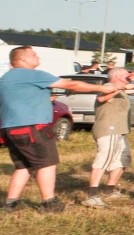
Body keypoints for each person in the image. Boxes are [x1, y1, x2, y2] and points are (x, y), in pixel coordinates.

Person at [0, 46, 107, 213]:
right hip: (33, 127)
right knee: (47, 164)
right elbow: (73, 84)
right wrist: (102, 88)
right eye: (33, 54)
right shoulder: (33, 74)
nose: (37, 56)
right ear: (22, 59)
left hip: (11, 128)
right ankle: (49, 203)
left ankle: (10, 204)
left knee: (24, 166)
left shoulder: (8, 77)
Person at [84, 67, 134, 208]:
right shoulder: (108, 86)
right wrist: (120, 88)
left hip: (120, 130)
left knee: (122, 160)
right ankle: (92, 194)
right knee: (103, 160)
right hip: (108, 129)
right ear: (117, 76)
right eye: (126, 74)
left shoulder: (122, 88)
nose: (129, 76)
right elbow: (101, 98)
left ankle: (109, 190)